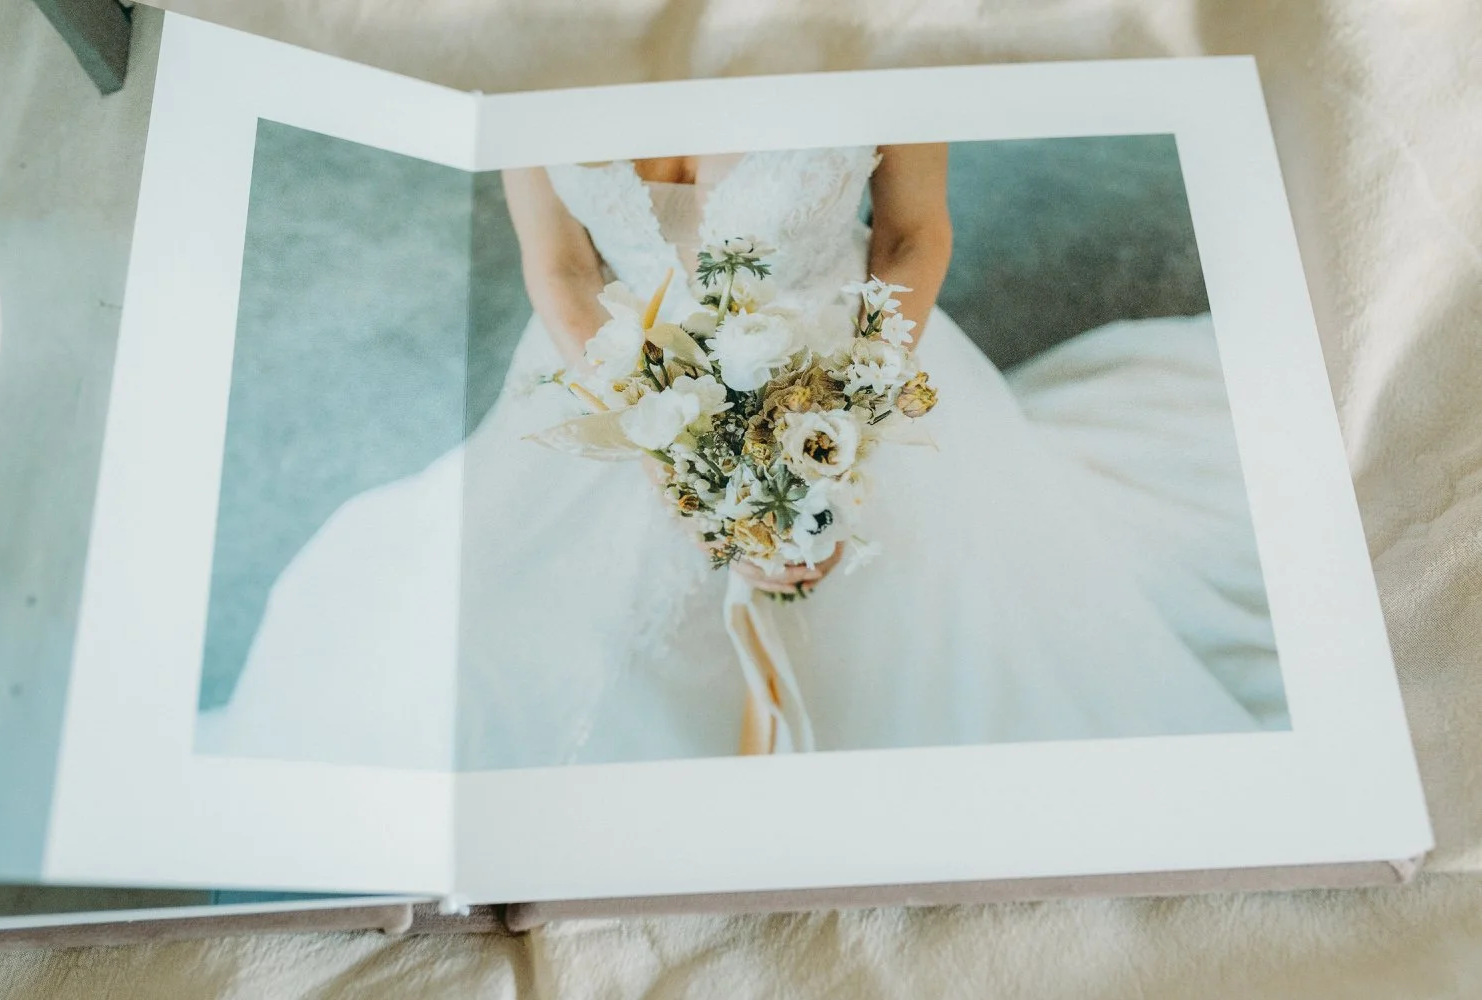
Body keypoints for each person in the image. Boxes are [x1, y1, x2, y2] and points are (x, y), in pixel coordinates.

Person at [198, 145, 1284, 772]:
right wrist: (665, 445)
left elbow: (912, 236)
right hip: (613, 369)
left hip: (835, 354)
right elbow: (563, 266)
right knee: (476, 649)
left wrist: (835, 435)